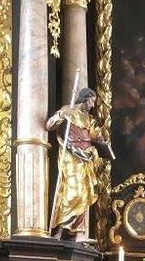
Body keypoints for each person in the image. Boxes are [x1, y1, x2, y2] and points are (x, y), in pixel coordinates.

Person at [47, 87, 113, 240]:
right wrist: (60, 115)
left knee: (84, 193)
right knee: (72, 192)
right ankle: (60, 230)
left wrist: (101, 141)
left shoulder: (89, 119)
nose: (92, 106)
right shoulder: (68, 110)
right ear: (84, 99)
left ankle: (79, 233)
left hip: (86, 158)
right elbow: (49, 126)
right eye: (91, 102)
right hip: (71, 156)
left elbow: (95, 135)